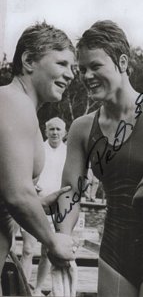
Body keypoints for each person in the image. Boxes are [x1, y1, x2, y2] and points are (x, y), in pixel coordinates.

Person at [55, 20, 143, 297]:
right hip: (114, 251)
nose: (86, 76)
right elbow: (70, 191)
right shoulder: (82, 129)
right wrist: (62, 236)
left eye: (95, 66)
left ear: (122, 62)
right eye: (81, 69)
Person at [0, 21, 78, 295]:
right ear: (29, 60)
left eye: (73, 68)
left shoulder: (19, 106)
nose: (70, 75)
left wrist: (38, 203)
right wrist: (51, 240)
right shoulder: (14, 102)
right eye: (62, 63)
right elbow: (17, 194)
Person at [32, 117, 67, 295]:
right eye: (51, 129)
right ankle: (24, 287)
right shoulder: (39, 150)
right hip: (35, 203)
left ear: (64, 132)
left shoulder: (68, 152)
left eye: (58, 129)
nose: (54, 132)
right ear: (46, 132)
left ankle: (38, 289)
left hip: (57, 207)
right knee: (27, 249)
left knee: (48, 250)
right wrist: (32, 185)